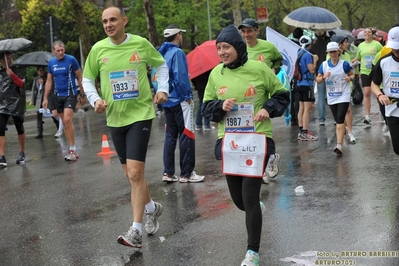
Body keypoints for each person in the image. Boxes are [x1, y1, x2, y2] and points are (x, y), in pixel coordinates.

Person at [202, 24, 290, 266]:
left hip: (257, 139)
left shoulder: (259, 69)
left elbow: (282, 94)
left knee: (249, 197)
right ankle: (255, 210)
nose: (221, 52)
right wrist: (220, 107)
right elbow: (205, 108)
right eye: (219, 48)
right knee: (239, 201)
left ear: (238, 48)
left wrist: (266, 108)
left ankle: (253, 253)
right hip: (230, 141)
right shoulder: (215, 74)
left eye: (226, 47)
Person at [82, 6, 168, 248]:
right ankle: (152, 207)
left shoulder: (140, 44)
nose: (108, 25)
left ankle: (136, 231)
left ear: (124, 21)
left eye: (113, 20)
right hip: (115, 118)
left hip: (140, 115)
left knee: (134, 173)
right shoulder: (98, 50)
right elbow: (87, 78)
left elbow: (161, 65)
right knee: (132, 177)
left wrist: (163, 89)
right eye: (104, 21)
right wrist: (95, 99)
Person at [158, 24, 205, 183]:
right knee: (187, 134)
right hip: (180, 99)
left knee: (170, 136)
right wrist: (187, 96)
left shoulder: (160, 53)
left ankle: (168, 173)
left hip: (166, 100)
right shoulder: (177, 52)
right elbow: (181, 77)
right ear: (178, 35)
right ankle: (187, 173)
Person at [238, 18, 283, 183]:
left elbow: (279, 60)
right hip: (247, 95)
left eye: (249, 31)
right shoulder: (240, 49)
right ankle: (266, 162)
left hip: (265, 94)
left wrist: (274, 69)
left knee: (262, 128)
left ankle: (267, 162)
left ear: (257, 31)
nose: (246, 34)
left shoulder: (268, 47)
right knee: (251, 130)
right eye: (243, 31)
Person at [42, 40, 85, 161]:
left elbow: (79, 77)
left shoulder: (71, 60)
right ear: (53, 51)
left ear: (64, 50)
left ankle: (73, 148)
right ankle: (71, 149)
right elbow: (49, 81)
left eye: (62, 50)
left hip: (70, 94)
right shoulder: (51, 63)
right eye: (58, 51)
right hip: (57, 95)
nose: (60, 53)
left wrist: (82, 94)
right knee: (65, 123)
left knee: (67, 120)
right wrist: (45, 98)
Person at [316, 42, 355, 155]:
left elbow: (352, 75)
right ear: (328, 53)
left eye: (334, 51)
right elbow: (318, 80)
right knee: (338, 120)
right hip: (332, 96)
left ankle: (339, 145)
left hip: (344, 95)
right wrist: (323, 77)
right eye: (331, 52)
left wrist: (349, 78)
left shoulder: (344, 64)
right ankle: (345, 134)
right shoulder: (324, 65)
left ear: (338, 52)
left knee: (340, 119)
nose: (333, 54)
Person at [370, 26, 399, 155]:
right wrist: (380, 94)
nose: (396, 51)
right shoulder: (383, 61)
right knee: (397, 149)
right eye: (394, 47)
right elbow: (374, 84)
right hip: (392, 109)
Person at [0, 52, 26, 166]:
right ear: (1, 61)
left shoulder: (17, 70)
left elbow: (21, 84)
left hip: (16, 104)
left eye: (10, 58)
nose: (9, 60)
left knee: (20, 129)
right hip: (2, 105)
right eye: (6, 59)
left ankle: (22, 152)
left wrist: (12, 75)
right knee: (0, 131)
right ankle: (1, 156)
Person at [352, 28, 383, 125]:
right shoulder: (361, 45)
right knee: (366, 93)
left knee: (377, 93)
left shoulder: (377, 45)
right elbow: (358, 57)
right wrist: (350, 62)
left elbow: (382, 55)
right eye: (365, 32)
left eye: (369, 32)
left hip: (375, 71)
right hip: (365, 71)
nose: (367, 33)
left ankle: (382, 112)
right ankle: (367, 116)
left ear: (372, 34)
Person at [330, 35, 356, 144]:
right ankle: (343, 130)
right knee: (338, 115)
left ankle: (350, 132)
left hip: (346, 87)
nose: (348, 44)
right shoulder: (331, 56)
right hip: (334, 90)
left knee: (348, 109)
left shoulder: (348, 56)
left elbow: (351, 72)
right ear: (340, 44)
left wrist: (349, 78)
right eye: (346, 42)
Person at [29, 66, 63, 139]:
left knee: (52, 114)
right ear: (38, 71)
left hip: (48, 98)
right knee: (39, 116)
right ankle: (40, 132)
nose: (42, 72)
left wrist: (43, 83)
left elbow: (51, 86)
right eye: (40, 70)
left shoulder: (48, 77)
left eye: (43, 70)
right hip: (39, 99)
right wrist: (32, 100)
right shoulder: (36, 79)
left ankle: (59, 129)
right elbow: (34, 90)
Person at [297, 36, 319, 141]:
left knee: (301, 108)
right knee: (307, 109)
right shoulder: (308, 55)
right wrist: (315, 60)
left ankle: (301, 131)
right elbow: (311, 70)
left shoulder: (298, 52)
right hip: (307, 83)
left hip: (299, 83)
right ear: (310, 44)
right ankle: (305, 132)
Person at [311, 29, 331, 126]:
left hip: (319, 73)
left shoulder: (313, 46)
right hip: (329, 71)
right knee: (333, 94)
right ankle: (336, 117)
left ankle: (321, 119)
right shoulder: (328, 44)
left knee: (321, 97)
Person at [289, 28, 304, 127]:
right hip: (298, 74)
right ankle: (297, 117)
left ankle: (293, 117)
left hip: (290, 73)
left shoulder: (288, 44)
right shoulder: (300, 47)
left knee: (292, 95)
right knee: (297, 96)